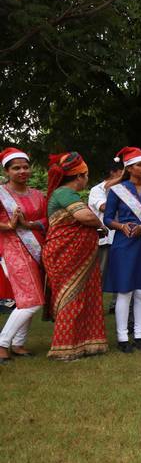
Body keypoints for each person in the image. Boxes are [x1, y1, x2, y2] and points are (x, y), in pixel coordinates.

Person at [42, 152, 108, 361]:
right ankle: (64, 348)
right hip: (65, 254)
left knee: (84, 297)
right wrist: (101, 225)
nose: (86, 179)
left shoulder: (66, 194)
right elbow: (85, 216)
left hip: (78, 256)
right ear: (80, 176)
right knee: (70, 297)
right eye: (86, 175)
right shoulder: (65, 194)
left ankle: (86, 344)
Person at [103, 147, 141, 353]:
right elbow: (107, 218)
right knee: (124, 291)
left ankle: (139, 336)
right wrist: (121, 226)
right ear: (129, 168)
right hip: (123, 242)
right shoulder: (117, 190)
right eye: (140, 165)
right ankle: (122, 337)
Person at [0, 148, 47, 362]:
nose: (22, 171)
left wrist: (31, 224)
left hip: (38, 249)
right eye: (16, 168)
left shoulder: (38, 194)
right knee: (32, 299)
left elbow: (47, 220)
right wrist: (9, 225)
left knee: (28, 299)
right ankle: (2, 343)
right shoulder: (1, 194)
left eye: (25, 167)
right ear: (7, 171)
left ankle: (18, 344)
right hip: (11, 249)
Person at [88, 160, 123, 314]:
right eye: (123, 172)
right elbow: (104, 207)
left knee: (120, 272)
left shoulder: (123, 189)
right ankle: (93, 306)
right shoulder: (97, 190)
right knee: (100, 274)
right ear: (113, 172)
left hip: (120, 237)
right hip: (104, 238)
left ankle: (115, 304)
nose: (125, 175)